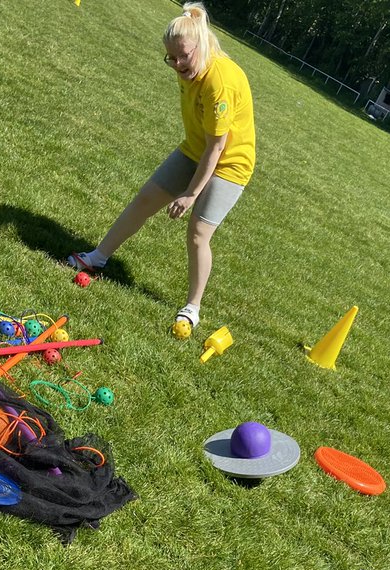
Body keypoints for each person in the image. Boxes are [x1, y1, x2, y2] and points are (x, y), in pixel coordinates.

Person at [67, 2, 255, 334]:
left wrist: (190, 194)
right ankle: (99, 257)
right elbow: (204, 142)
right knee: (146, 199)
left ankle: (192, 307)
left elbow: (218, 147)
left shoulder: (218, 82)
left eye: (184, 56)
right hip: (195, 149)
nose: (178, 64)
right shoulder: (190, 67)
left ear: (201, 44)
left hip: (229, 163)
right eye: (172, 58)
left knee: (198, 233)